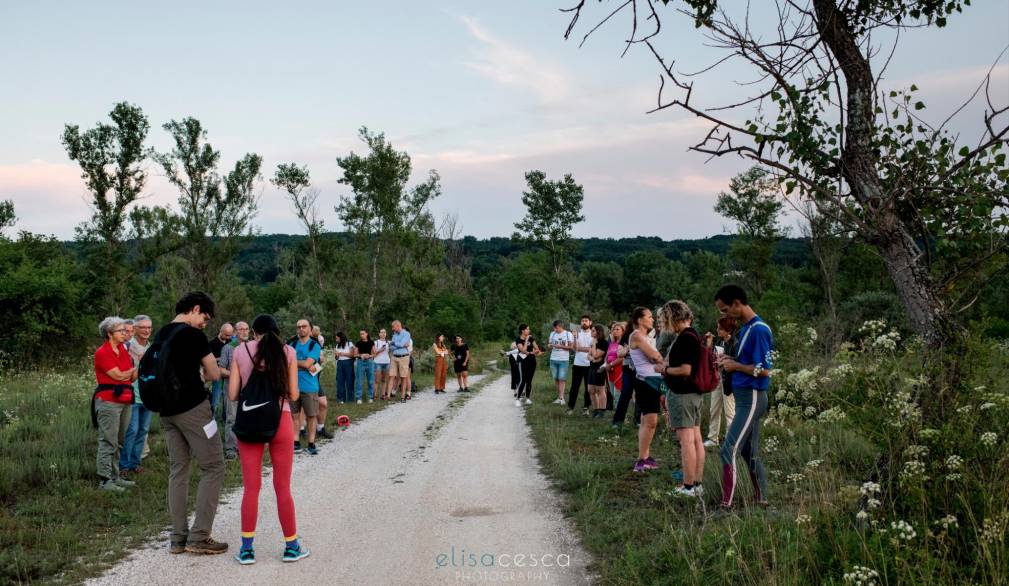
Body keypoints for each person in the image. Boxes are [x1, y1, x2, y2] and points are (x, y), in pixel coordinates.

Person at [228, 314, 310, 564]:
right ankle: (291, 546)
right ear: (277, 332)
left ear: (254, 332)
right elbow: (294, 393)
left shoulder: (240, 350)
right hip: (281, 421)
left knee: (251, 487)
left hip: (250, 422)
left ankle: (247, 549)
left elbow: (232, 394)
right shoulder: (288, 352)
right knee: (282, 487)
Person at [155, 291, 227, 555]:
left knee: (178, 469)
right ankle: (199, 536)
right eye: (204, 318)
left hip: (166, 411)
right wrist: (204, 374)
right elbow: (214, 373)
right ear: (195, 309)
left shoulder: (161, 333)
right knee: (214, 466)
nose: (204, 324)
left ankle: (177, 538)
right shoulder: (194, 336)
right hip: (193, 409)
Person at [715, 285, 774, 509]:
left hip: (752, 397)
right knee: (750, 451)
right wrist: (730, 361)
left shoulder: (759, 329)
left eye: (725, 309)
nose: (724, 315)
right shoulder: (746, 329)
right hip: (743, 397)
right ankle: (762, 500)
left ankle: (725, 505)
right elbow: (748, 362)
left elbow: (765, 369)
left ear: (737, 303)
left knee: (728, 449)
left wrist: (735, 365)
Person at [658, 300, 706, 497]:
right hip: (693, 394)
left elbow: (685, 370)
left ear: (672, 317)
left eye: (663, 318)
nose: (663, 323)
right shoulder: (693, 335)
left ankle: (688, 487)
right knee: (696, 439)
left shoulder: (685, 338)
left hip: (683, 395)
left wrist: (664, 369)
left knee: (686, 441)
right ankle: (697, 484)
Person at [93, 316, 137, 492]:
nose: (125, 333)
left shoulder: (123, 350)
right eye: (121, 331)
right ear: (110, 333)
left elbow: (131, 377)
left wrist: (137, 367)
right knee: (108, 440)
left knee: (119, 440)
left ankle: (115, 476)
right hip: (109, 401)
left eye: (125, 330)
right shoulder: (102, 353)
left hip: (125, 399)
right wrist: (135, 368)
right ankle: (105, 480)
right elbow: (118, 375)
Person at [627, 307, 665, 473]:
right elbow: (655, 357)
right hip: (646, 382)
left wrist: (656, 358)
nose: (653, 320)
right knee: (650, 422)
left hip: (650, 381)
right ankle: (641, 460)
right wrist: (659, 358)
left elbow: (654, 357)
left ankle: (646, 457)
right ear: (640, 320)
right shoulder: (636, 335)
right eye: (650, 317)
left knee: (646, 421)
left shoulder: (643, 336)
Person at [120, 314, 153, 475]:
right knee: (131, 431)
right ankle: (124, 465)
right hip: (131, 396)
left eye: (149, 327)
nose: (147, 330)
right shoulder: (127, 347)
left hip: (148, 396)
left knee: (143, 430)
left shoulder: (152, 347)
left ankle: (135, 463)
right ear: (135, 329)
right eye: (143, 327)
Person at [704, 316, 738, 448]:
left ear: (728, 330)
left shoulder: (735, 343)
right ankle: (713, 438)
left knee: (729, 412)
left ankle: (731, 442)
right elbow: (715, 356)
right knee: (714, 409)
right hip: (718, 378)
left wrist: (725, 360)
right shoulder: (720, 341)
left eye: (720, 328)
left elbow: (737, 360)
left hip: (729, 381)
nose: (717, 330)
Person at [218, 320, 250, 459]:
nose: (244, 332)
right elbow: (221, 370)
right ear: (236, 332)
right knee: (232, 419)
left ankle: (246, 446)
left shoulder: (251, 347)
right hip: (232, 388)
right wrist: (236, 375)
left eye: (246, 329)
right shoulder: (228, 348)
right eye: (241, 329)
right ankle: (231, 449)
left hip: (248, 389)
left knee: (248, 417)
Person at [290, 319, 322, 456]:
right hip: (293, 385)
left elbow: (307, 364)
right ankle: (295, 443)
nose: (301, 329)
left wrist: (293, 362)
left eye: (304, 326)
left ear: (310, 328)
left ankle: (311, 443)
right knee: (294, 415)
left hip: (309, 386)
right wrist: (300, 363)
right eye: (299, 327)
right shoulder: (292, 344)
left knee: (311, 416)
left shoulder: (314, 345)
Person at [567, 315, 594, 415]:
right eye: (582, 321)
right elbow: (574, 348)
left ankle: (586, 408)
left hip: (589, 364)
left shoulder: (593, 334)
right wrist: (574, 337)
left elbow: (591, 349)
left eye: (586, 321)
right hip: (577, 363)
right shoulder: (576, 333)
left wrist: (582, 349)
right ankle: (570, 407)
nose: (584, 322)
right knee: (574, 387)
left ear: (590, 322)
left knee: (588, 388)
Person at [209, 323, 234, 418]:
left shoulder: (231, 343)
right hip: (218, 375)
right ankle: (212, 419)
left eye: (229, 335)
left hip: (228, 375)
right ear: (221, 331)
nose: (228, 337)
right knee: (215, 399)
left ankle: (225, 418)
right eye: (226, 335)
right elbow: (208, 361)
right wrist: (221, 358)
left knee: (227, 400)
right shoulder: (211, 344)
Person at [547, 320, 573, 405]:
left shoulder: (568, 334)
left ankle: (562, 398)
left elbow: (571, 347)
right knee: (556, 378)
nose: (554, 329)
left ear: (559, 326)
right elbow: (550, 345)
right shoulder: (552, 334)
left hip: (563, 359)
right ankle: (559, 397)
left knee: (562, 379)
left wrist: (560, 346)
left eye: (555, 328)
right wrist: (549, 346)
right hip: (553, 358)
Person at [514, 324, 541, 406]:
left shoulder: (531, 338)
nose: (529, 331)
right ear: (522, 330)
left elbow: (537, 349)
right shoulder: (518, 340)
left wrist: (532, 352)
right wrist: (526, 340)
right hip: (522, 361)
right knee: (523, 380)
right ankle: (518, 399)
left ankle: (528, 398)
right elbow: (523, 350)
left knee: (529, 380)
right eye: (527, 329)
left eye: (529, 329)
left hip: (532, 361)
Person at [587, 324, 609, 418]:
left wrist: (594, 345)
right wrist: (593, 359)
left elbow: (595, 355)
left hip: (600, 369)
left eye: (593, 331)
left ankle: (601, 410)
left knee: (600, 390)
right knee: (590, 390)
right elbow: (588, 356)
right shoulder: (592, 341)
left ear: (598, 332)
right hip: (592, 367)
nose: (591, 332)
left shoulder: (603, 343)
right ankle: (596, 409)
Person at [388, 321, 413, 401]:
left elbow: (401, 344)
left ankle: (403, 397)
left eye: (393, 327)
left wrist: (393, 342)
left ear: (398, 326)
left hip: (404, 357)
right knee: (392, 376)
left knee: (403, 377)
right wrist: (398, 345)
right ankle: (388, 396)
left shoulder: (406, 334)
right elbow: (391, 348)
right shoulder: (394, 334)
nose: (392, 329)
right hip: (394, 357)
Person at [603, 322, 624, 407]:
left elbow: (621, 358)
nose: (615, 331)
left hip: (619, 369)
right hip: (609, 370)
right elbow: (607, 355)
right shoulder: (611, 343)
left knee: (618, 393)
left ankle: (622, 416)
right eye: (613, 329)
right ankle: (618, 413)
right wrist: (606, 365)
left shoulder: (623, 343)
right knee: (612, 392)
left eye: (617, 329)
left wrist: (610, 364)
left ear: (623, 331)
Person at [354, 329, 376, 403]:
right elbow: (355, 354)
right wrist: (361, 355)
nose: (361, 335)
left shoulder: (371, 342)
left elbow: (374, 353)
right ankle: (358, 398)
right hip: (360, 362)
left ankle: (370, 397)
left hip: (370, 362)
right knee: (359, 380)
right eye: (360, 334)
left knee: (370, 380)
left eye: (363, 334)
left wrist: (369, 355)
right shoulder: (358, 343)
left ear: (366, 334)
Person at [333, 332, 356, 403]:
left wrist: (341, 353)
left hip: (348, 363)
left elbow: (352, 354)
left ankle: (350, 399)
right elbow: (337, 358)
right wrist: (336, 355)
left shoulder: (350, 344)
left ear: (340, 338)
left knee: (350, 381)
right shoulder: (337, 345)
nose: (336, 339)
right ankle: (341, 398)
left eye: (337, 338)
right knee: (340, 381)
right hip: (340, 363)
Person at [374, 328, 391, 400]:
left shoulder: (389, 342)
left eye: (384, 332)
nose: (383, 334)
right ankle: (375, 395)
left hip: (387, 363)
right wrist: (380, 350)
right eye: (381, 332)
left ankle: (383, 395)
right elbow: (373, 353)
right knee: (377, 380)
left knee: (384, 380)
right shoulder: (376, 342)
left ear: (386, 334)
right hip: (378, 362)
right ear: (379, 334)